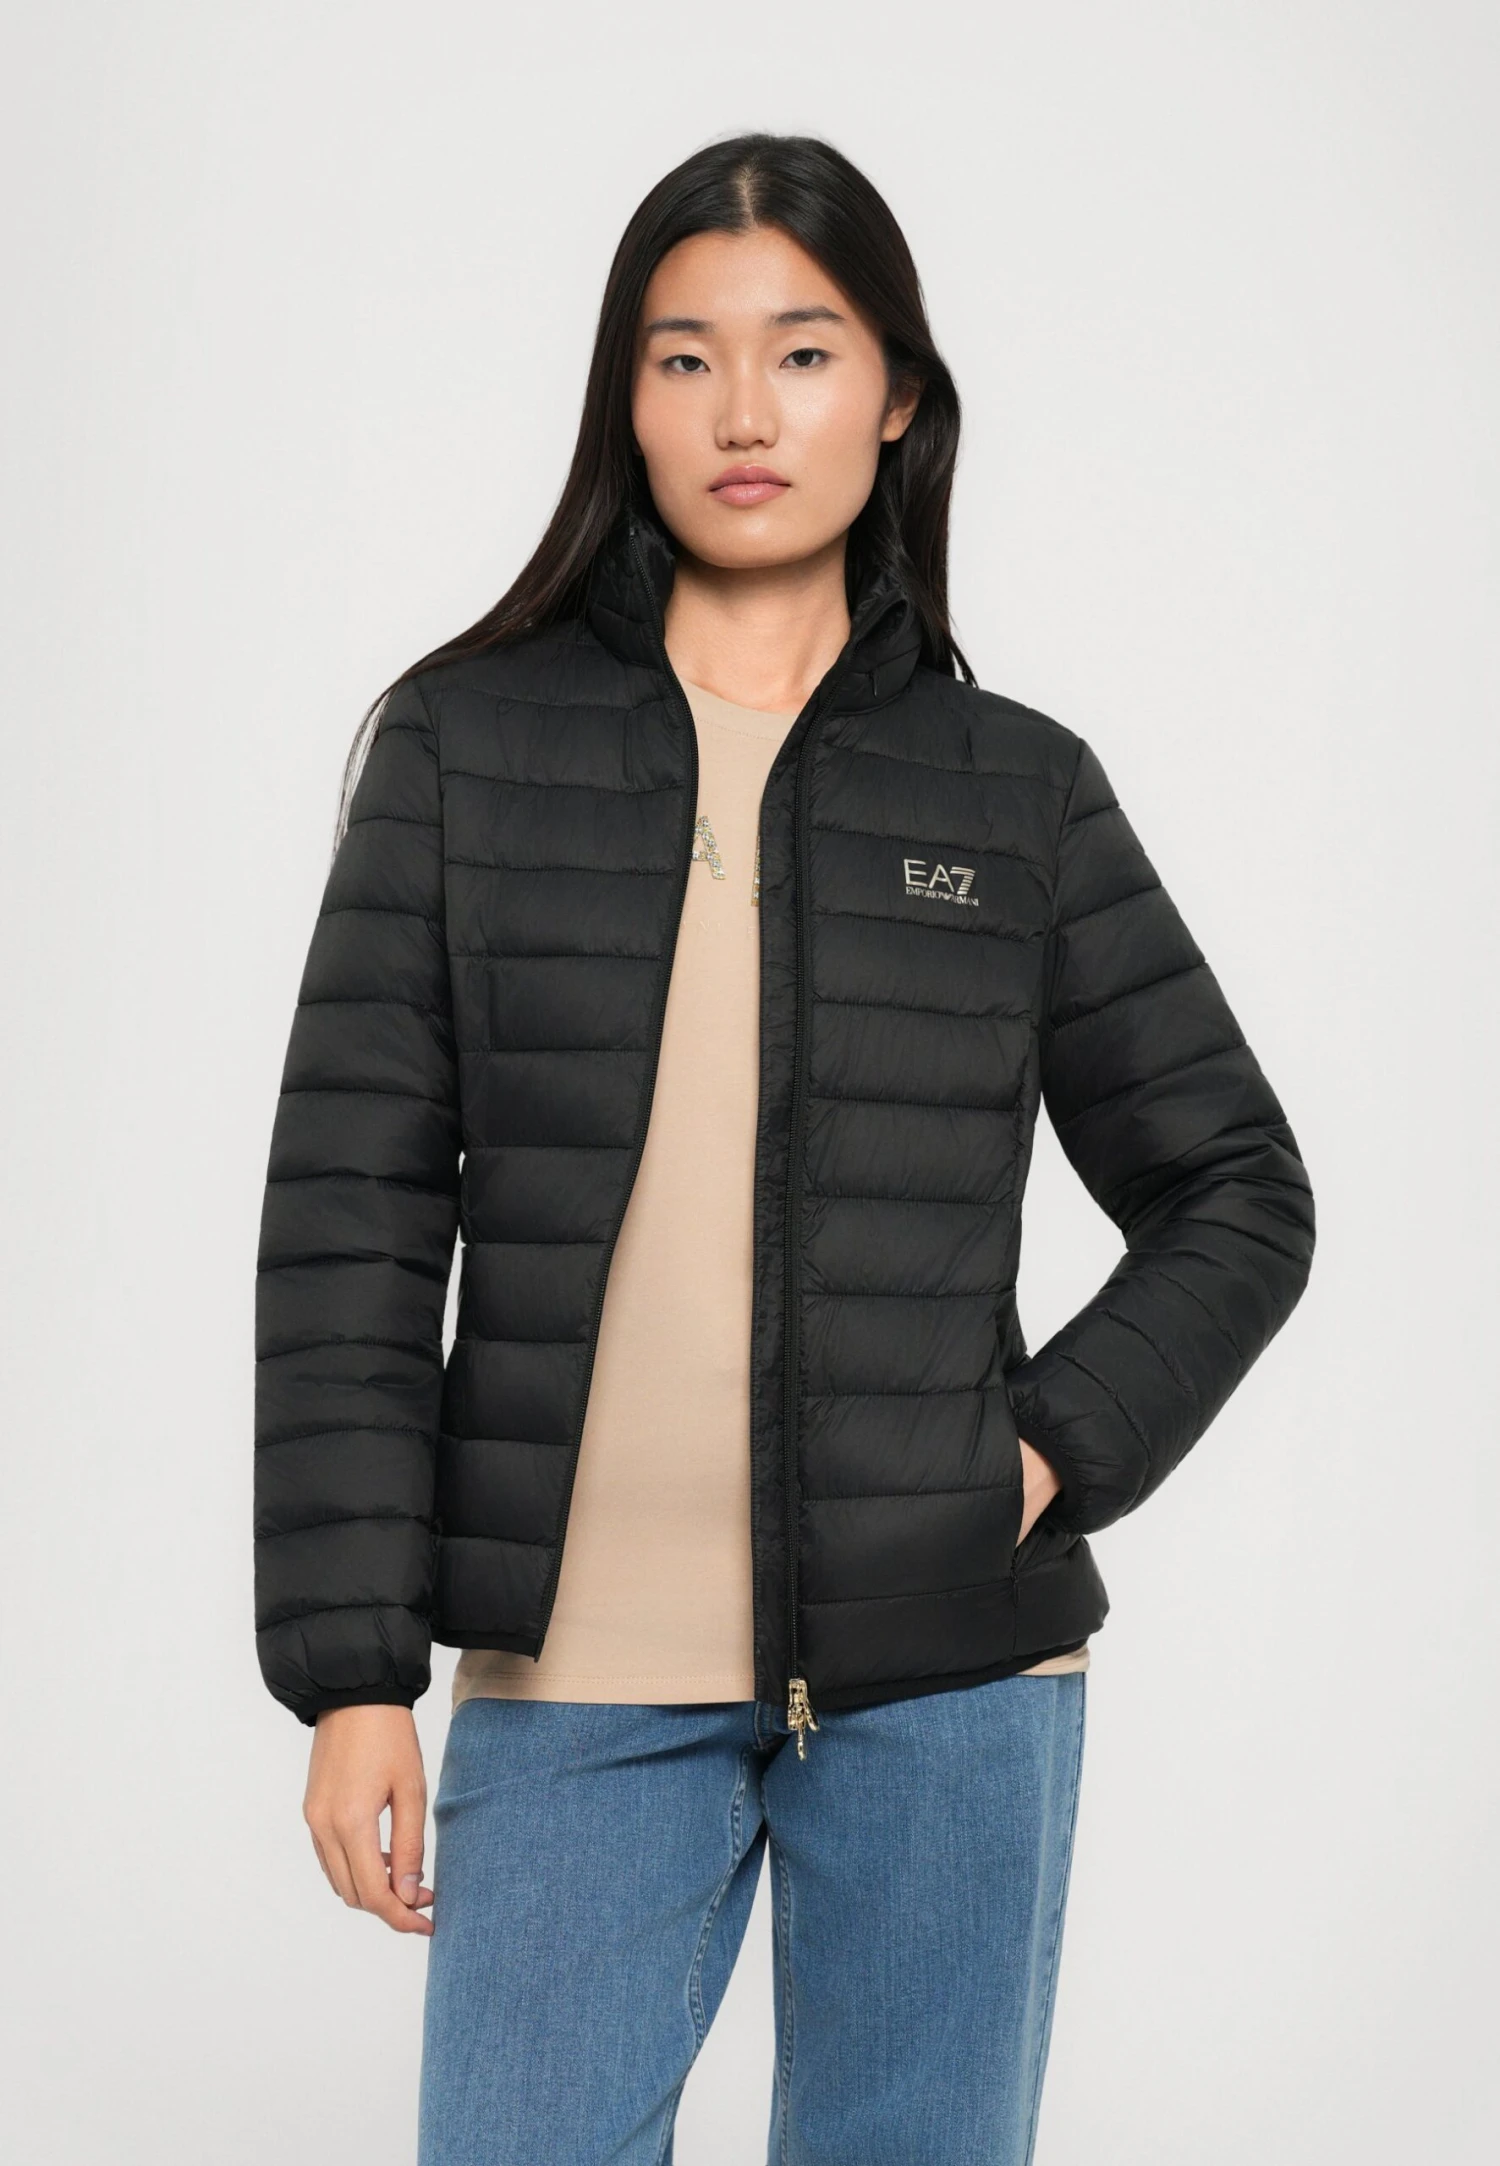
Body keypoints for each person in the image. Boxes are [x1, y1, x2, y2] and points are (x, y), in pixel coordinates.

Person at [253, 132, 1315, 2165]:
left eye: (804, 352)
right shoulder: (465, 753)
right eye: (686, 358)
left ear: (896, 393)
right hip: (568, 1679)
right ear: (626, 399)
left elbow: (1238, 1189)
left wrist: (1036, 1454)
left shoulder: (1015, 792)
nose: (745, 412)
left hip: (951, 1684)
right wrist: (351, 1672)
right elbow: (351, 1230)